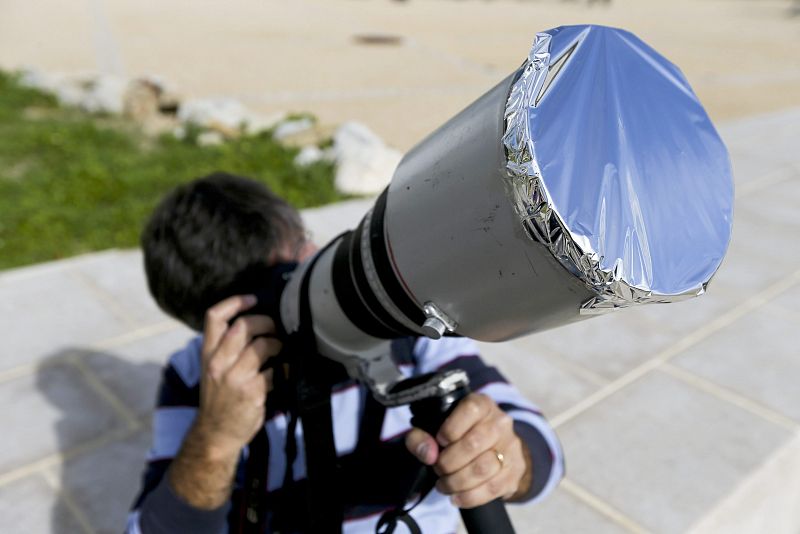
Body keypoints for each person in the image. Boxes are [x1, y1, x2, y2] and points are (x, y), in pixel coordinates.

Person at [126, 172, 564, 533]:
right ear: (214, 326)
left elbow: (540, 450)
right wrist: (216, 440)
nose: (306, 288)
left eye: (302, 252)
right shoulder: (198, 377)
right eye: (276, 292)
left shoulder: (398, 322)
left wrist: (506, 460)